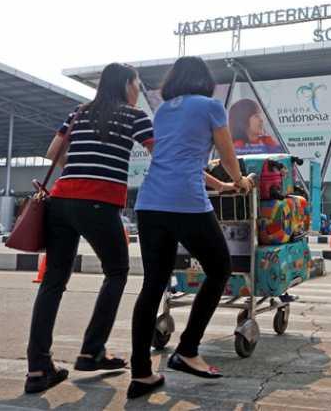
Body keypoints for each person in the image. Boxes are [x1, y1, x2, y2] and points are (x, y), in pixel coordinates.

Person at [129, 57, 254, 399]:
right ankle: (187, 349)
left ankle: (141, 373)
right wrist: (239, 181)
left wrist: (221, 186)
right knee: (220, 269)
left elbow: (178, 158)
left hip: (150, 202)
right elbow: (228, 156)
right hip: (185, 201)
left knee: (152, 285)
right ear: (204, 79)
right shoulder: (212, 107)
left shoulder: (166, 110)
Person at [25, 63, 154, 394]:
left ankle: (38, 368)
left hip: (61, 200)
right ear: (126, 84)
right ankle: (92, 350)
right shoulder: (133, 116)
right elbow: (161, 151)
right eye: (137, 83)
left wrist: (81, 167)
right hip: (98, 202)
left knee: (53, 281)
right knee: (117, 271)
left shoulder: (79, 112)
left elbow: (54, 152)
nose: (138, 89)